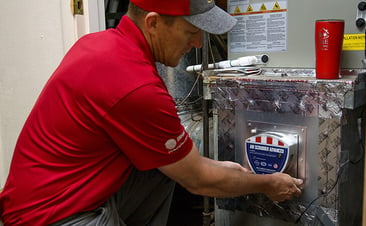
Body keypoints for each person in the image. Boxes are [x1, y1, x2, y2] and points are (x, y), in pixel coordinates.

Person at [0, 0, 303, 225]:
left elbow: (186, 165)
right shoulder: (135, 86)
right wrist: (267, 184)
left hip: (64, 193)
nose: (197, 43)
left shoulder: (99, 43)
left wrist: (215, 166)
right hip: (51, 217)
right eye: (191, 31)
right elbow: (199, 181)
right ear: (154, 23)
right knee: (181, 171)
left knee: (164, 167)